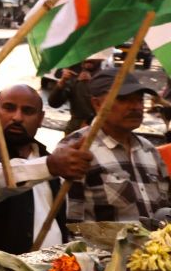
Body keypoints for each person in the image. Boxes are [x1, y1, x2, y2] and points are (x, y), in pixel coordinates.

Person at [0, 85, 93, 253]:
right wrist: (49, 166)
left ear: (41, 119)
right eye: (9, 108)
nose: (17, 117)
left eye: (28, 111)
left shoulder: (45, 157)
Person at [61, 69, 171, 222]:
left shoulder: (149, 150)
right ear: (97, 104)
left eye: (139, 99)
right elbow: (71, 222)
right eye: (124, 99)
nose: (136, 107)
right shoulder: (77, 149)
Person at [47, 54, 106, 133]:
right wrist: (62, 82)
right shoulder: (74, 77)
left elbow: (107, 109)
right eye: (86, 55)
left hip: (98, 131)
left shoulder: (106, 79)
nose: (88, 59)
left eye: (93, 56)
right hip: (74, 130)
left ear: (101, 58)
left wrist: (90, 83)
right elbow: (54, 103)